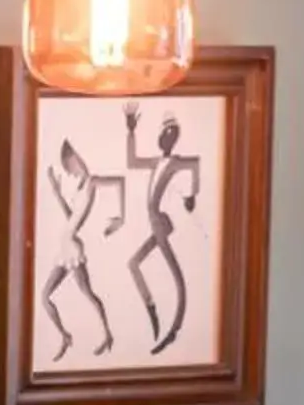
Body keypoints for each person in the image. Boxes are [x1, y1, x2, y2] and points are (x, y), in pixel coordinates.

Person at [123, 103, 202, 355]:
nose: (167, 138)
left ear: (175, 137)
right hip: (158, 222)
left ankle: (175, 327)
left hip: (159, 222)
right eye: (165, 134)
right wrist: (131, 131)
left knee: (176, 276)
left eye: (172, 135)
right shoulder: (157, 161)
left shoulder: (177, 162)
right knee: (133, 263)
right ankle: (152, 308)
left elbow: (195, 164)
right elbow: (132, 161)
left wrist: (192, 195)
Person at [38, 140, 120, 361]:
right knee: (45, 297)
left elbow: (119, 181)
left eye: (70, 165)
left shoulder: (91, 182)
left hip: (72, 248)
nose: (72, 170)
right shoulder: (82, 185)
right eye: (69, 167)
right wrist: (57, 192)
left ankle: (108, 334)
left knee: (88, 294)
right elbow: (70, 219)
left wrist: (121, 217)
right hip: (64, 247)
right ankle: (65, 336)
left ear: (76, 159)